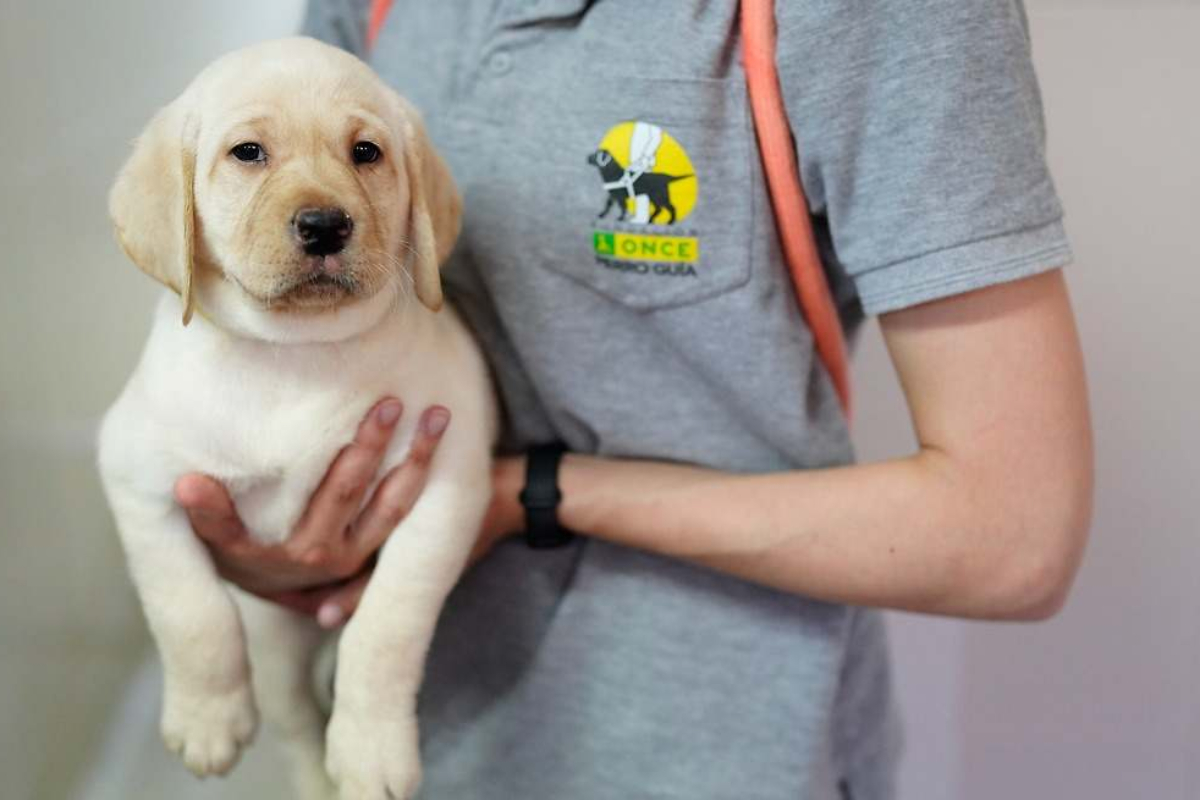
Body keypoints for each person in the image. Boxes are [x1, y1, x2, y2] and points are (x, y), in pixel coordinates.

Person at [173, 1, 1094, 797]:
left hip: (714, 751)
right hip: (411, 738)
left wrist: (525, 494)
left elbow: (1013, 534)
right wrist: (284, 542)